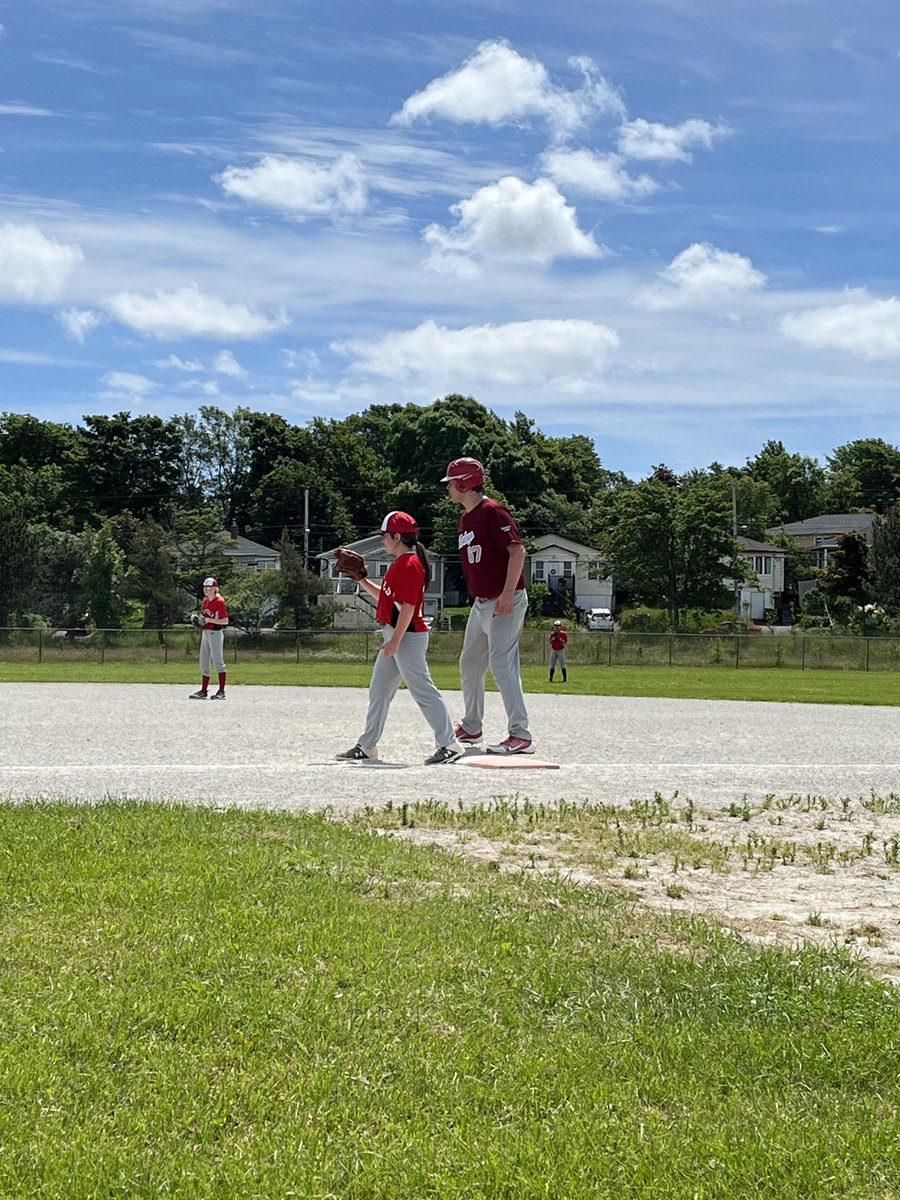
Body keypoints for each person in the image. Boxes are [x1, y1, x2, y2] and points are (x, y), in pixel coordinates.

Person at [335, 511, 464, 766]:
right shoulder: (400, 564)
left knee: (423, 690)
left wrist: (395, 641)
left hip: (408, 637)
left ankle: (450, 744)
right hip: (397, 635)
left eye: (385, 535)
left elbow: (408, 607)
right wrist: (361, 579)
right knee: (379, 691)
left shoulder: (410, 564)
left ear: (397, 537)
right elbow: (385, 598)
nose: (382, 540)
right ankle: (367, 745)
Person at [442, 457, 532, 754]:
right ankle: (472, 726)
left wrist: (507, 594)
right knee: (469, 662)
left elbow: (517, 551)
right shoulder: (465, 519)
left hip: (504, 599)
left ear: (465, 483)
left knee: (501, 664)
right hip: (481, 603)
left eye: (451, 483)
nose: (448, 488)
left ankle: (520, 734)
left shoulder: (493, 511)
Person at [189, 577, 229, 700]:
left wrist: (209, 620)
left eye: (209, 588)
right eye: (205, 588)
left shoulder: (219, 602)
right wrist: (198, 619)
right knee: (204, 662)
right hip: (205, 633)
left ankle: (221, 691)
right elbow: (205, 618)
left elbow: (225, 621)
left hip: (215, 633)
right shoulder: (206, 601)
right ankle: (203, 690)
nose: (206, 590)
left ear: (215, 589)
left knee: (218, 662)